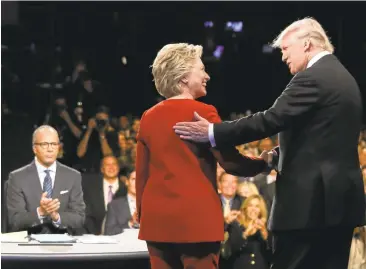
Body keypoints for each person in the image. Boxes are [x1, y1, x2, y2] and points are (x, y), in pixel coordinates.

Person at [173, 18, 366, 269]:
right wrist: (278, 155)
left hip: (309, 208)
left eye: (286, 49)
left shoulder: (313, 77)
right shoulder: (343, 77)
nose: (283, 57)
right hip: (337, 206)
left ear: (307, 44)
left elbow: (270, 120)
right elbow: (323, 139)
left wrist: (213, 132)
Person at [136, 43, 273, 269]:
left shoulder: (148, 117)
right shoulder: (204, 113)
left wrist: (146, 218)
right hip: (197, 221)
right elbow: (230, 163)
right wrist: (264, 164)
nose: (207, 75)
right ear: (183, 78)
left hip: (157, 223)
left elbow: (142, 176)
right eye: (201, 69)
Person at [6, 125, 85, 233]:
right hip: (29, 245)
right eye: (44, 144)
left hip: (63, 244)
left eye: (54, 144)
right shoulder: (17, 178)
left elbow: (79, 218)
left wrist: (56, 216)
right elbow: (14, 220)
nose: (50, 149)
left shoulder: (73, 176)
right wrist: (41, 212)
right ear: (34, 148)